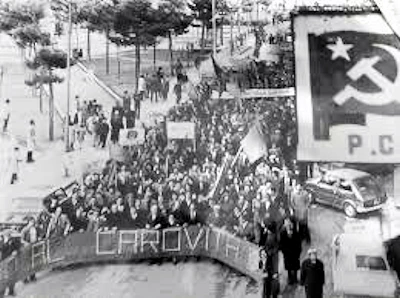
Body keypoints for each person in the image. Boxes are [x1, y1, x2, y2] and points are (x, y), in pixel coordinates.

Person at [279, 217, 302, 285]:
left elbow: (298, 242)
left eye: (289, 222)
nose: (288, 224)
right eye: (286, 222)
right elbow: (281, 244)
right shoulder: (282, 232)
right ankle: (290, 278)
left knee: (295, 266)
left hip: (295, 252)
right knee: (288, 267)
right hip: (287, 254)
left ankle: (295, 278)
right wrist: (285, 252)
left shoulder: (295, 231)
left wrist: (298, 251)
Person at [21, 217, 38, 283]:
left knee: (33, 261)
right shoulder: (24, 229)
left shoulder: (35, 229)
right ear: (28, 222)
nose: (32, 223)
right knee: (26, 262)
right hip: (27, 247)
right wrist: (26, 243)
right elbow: (21, 239)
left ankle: (32, 276)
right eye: (31, 222)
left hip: (34, 246)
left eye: (33, 222)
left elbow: (37, 236)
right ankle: (24, 278)